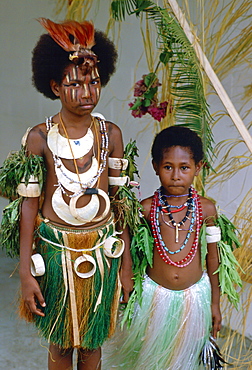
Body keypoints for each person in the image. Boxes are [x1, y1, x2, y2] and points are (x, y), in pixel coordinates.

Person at [2, 18, 133, 370]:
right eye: (74, 84)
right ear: (55, 86)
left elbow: (120, 204)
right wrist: (27, 272)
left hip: (102, 252)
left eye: (93, 82)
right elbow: (29, 206)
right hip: (56, 253)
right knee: (60, 346)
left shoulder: (111, 135)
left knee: (91, 346)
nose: (86, 92)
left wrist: (126, 264)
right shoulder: (39, 138)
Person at [104, 125, 224, 369]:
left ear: (198, 168)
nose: (176, 175)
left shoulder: (207, 209)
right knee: (151, 360)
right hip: (154, 298)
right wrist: (125, 276)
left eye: (184, 168)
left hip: (194, 299)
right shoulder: (146, 209)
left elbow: (214, 260)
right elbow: (126, 240)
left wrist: (214, 303)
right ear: (156, 166)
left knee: (185, 362)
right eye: (168, 167)